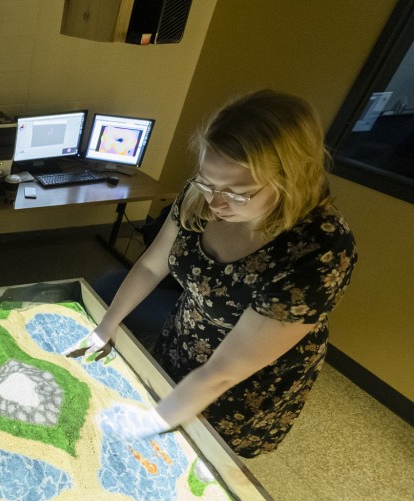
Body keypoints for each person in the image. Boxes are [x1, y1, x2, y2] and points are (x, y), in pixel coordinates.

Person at [72, 89, 357, 457]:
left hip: (245, 380)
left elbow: (223, 372)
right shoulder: (199, 197)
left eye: (239, 193)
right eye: (208, 183)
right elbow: (149, 265)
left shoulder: (321, 248)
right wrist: (106, 325)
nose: (216, 203)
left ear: (291, 179)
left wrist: (149, 421)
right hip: (187, 336)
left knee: (201, 457)